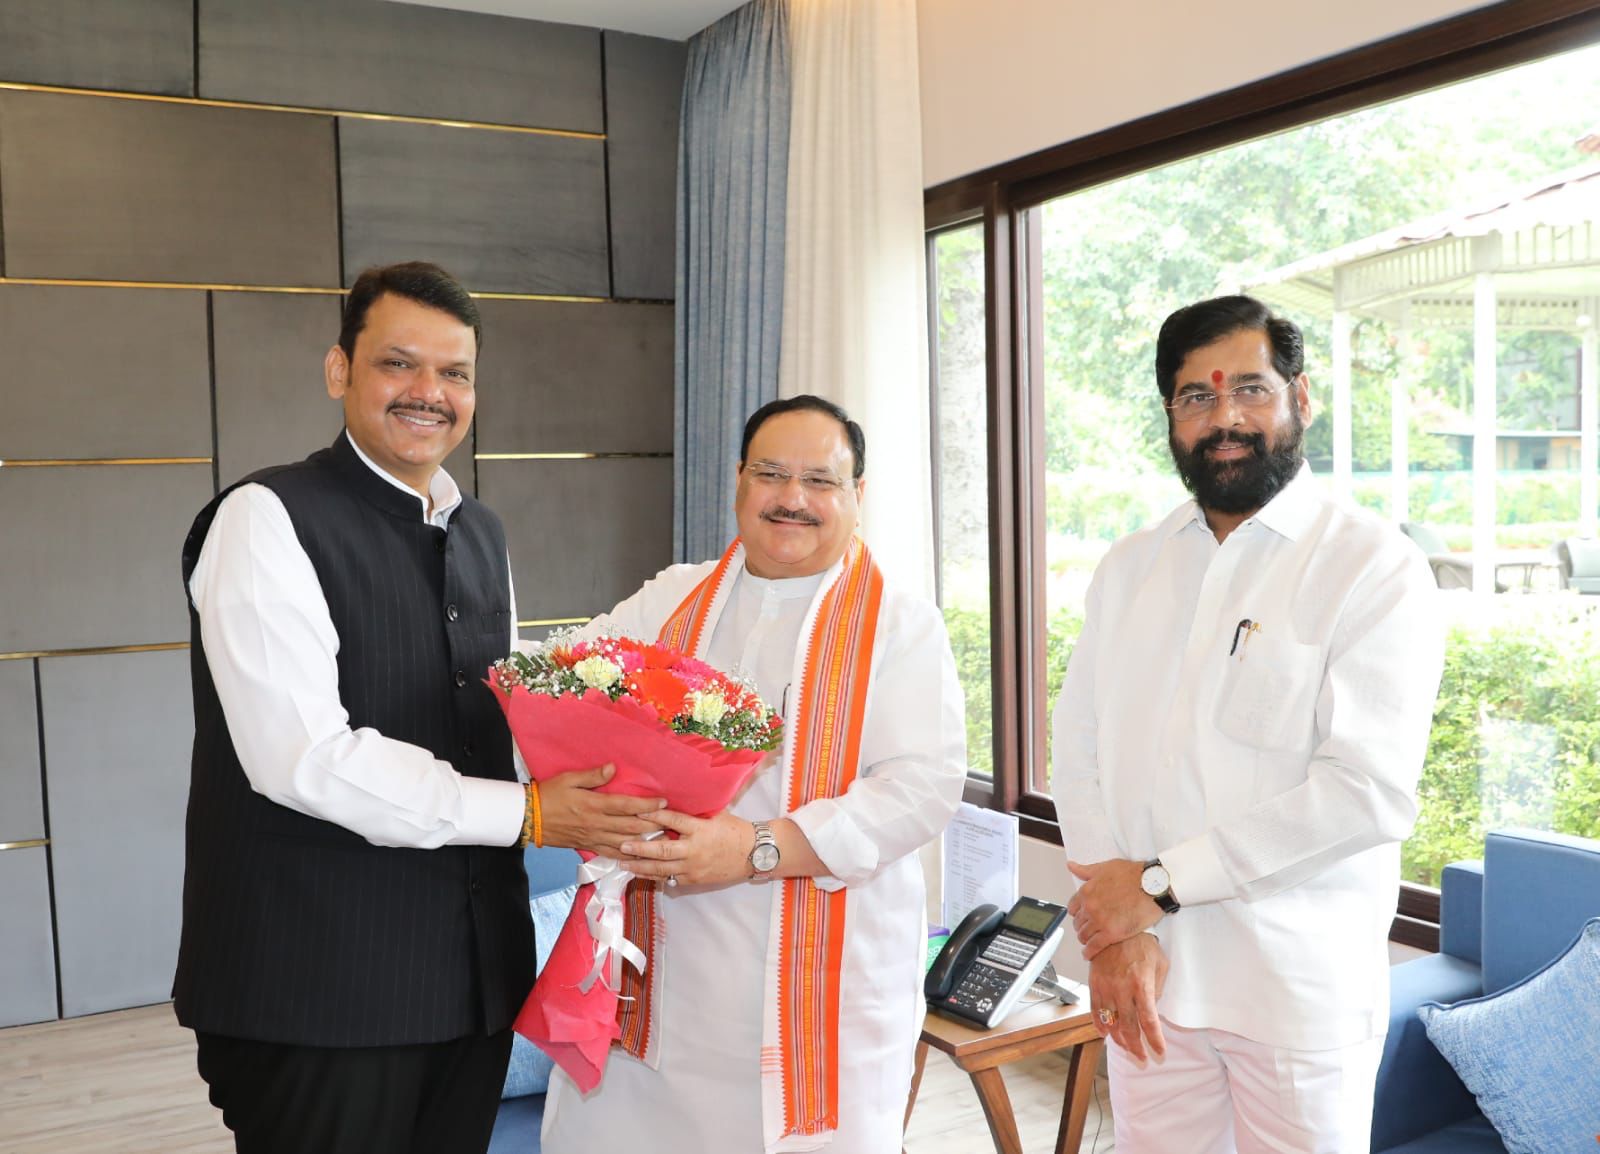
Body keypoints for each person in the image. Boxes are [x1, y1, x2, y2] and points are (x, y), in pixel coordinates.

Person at [175, 261, 664, 1154]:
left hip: (472, 982)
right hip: (315, 987)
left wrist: (621, 770)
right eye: (400, 364)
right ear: (340, 372)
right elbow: (305, 759)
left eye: (456, 373)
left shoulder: (481, 531)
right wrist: (534, 812)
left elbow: (494, 723)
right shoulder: (266, 516)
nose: (429, 393)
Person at [1050, 295, 1444, 1153]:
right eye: (1197, 398)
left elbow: (1364, 795)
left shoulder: (1371, 567)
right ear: (1170, 417)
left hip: (1292, 995)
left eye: (1250, 391)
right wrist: (1120, 928)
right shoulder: (1130, 568)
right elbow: (1078, 753)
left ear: (1301, 399)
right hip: (1149, 978)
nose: (1225, 419)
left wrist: (1154, 888)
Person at [538, 395, 967, 1154]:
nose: (792, 499)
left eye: (820, 480)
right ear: (738, 482)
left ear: (857, 497)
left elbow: (922, 788)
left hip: (823, 999)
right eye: (771, 474)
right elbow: (561, 683)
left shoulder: (901, 625)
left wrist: (755, 849)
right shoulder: (670, 600)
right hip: (663, 983)